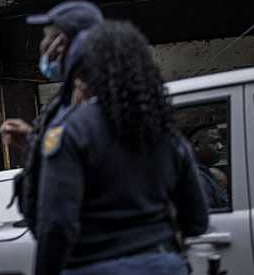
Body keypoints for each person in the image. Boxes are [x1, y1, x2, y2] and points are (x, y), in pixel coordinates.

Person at [33, 21, 209, 275]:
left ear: (85, 70)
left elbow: (57, 226)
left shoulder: (70, 132)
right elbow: (197, 221)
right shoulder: (166, 131)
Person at [2, 0, 104, 232]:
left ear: (61, 44)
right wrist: (31, 141)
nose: (42, 45)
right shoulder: (63, 104)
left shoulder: (104, 109)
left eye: (46, 37)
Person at [189, 127, 229, 209]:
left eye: (220, 142)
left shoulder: (204, 174)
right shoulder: (197, 179)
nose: (220, 146)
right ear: (196, 145)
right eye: (214, 142)